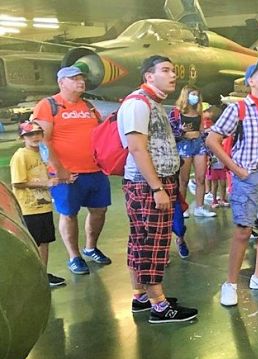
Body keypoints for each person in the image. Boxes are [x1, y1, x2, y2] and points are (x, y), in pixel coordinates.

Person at [118, 55, 198, 324]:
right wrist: (157, 188)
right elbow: (137, 148)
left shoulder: (154, 103)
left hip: (155, 183)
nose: (173, 75)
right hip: (148, 185)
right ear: (149, 76)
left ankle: (141, 296)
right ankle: (159, 306)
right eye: (165, 70)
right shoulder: (138, 103)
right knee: (153, 243)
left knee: (140, 241)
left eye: (173, 70)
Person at [206, 56, 258, 307]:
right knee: (243, 231)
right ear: (250, 81)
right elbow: (212, 139)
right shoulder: (238, 109)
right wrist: (235, 169)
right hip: (249, 176)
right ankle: (230, 284)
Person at [33, 66, 112, 275]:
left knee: (99, 210)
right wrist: (60, 170)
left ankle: (91, 247)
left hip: (95, 171)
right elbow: (43, 141)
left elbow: (101, 134)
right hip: (67, 174)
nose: (81, 82)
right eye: (74, 78)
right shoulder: (48, 105)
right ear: (61, 83)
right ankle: (74, 256)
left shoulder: (89, 106)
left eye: (82, 78)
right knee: (69, 214)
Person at [10, 121, 66, 286]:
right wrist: (46, 183)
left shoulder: (42, 153)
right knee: (35, 243)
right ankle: (33, 277)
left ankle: (42, 274)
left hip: (43, 205)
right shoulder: (21, 155)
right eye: (29, 134)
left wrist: (61, 179)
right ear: (22, 138)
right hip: (29, 208)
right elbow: (18, 183)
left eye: (37, 133)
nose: (34, 137)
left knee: (44, 241)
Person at [169, 86, 215, 218]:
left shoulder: (198, 112)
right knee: (183, 180)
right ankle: (182, 208)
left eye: (197, 95)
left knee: (201, 178)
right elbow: (170, 131)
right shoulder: (176, 112)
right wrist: (182, 131)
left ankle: (200, 207)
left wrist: (209, 147)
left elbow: (202, 130)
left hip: (198, 144)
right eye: (193, 94)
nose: (195, 97)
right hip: (184, 145)